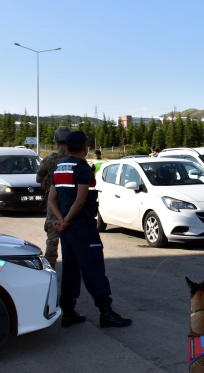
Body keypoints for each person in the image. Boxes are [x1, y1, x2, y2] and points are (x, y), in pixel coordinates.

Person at [48, 131, 132, 328]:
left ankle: (68, 312)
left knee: (70, 270)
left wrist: (61, 219)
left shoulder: (60, 167)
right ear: (85, 147)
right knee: (94, 269)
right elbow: (80, 200)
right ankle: (106, 312)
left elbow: (52, 198)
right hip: (81, 226)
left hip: (66, 228)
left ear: (67, 147)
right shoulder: (82, 168)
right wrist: (67, 220)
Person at [36, 126, 71, 268]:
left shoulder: (49, 160)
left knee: (52, 240)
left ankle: (50, 269)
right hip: (71, 204)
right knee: (72, 240)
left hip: (53, 203)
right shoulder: (75, 160)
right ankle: (74, 270)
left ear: (56, 141)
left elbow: (38, 179)